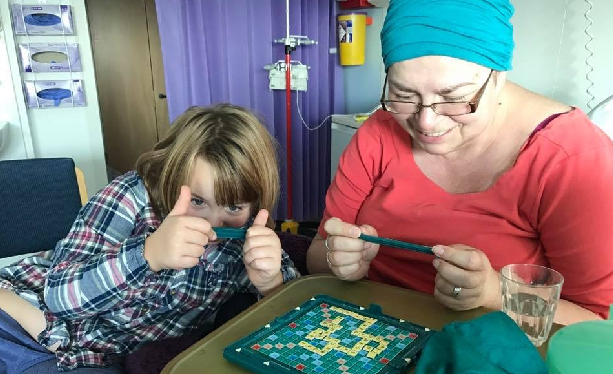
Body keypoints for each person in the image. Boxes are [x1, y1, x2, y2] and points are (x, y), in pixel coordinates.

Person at [307, 0, 613, 324]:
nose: (426, 123)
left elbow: (594, 324)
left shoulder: (571, 159)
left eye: (453, 99)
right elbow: (317, 254)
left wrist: (495, 293)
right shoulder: (378, 132)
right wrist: (338, 260)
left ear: (498, 77)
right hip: (363, 339)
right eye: (404, 94)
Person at [0, 104, 299, 373]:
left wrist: (271, 283)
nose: (211, 224)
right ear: (169, 176)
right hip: (20, 321)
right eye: (197, 200)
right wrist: (148, 254)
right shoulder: (130, 197)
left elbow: (296, 319)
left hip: (85, 358)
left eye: (233, 206)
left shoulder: (244, 238)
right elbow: (59, 296)